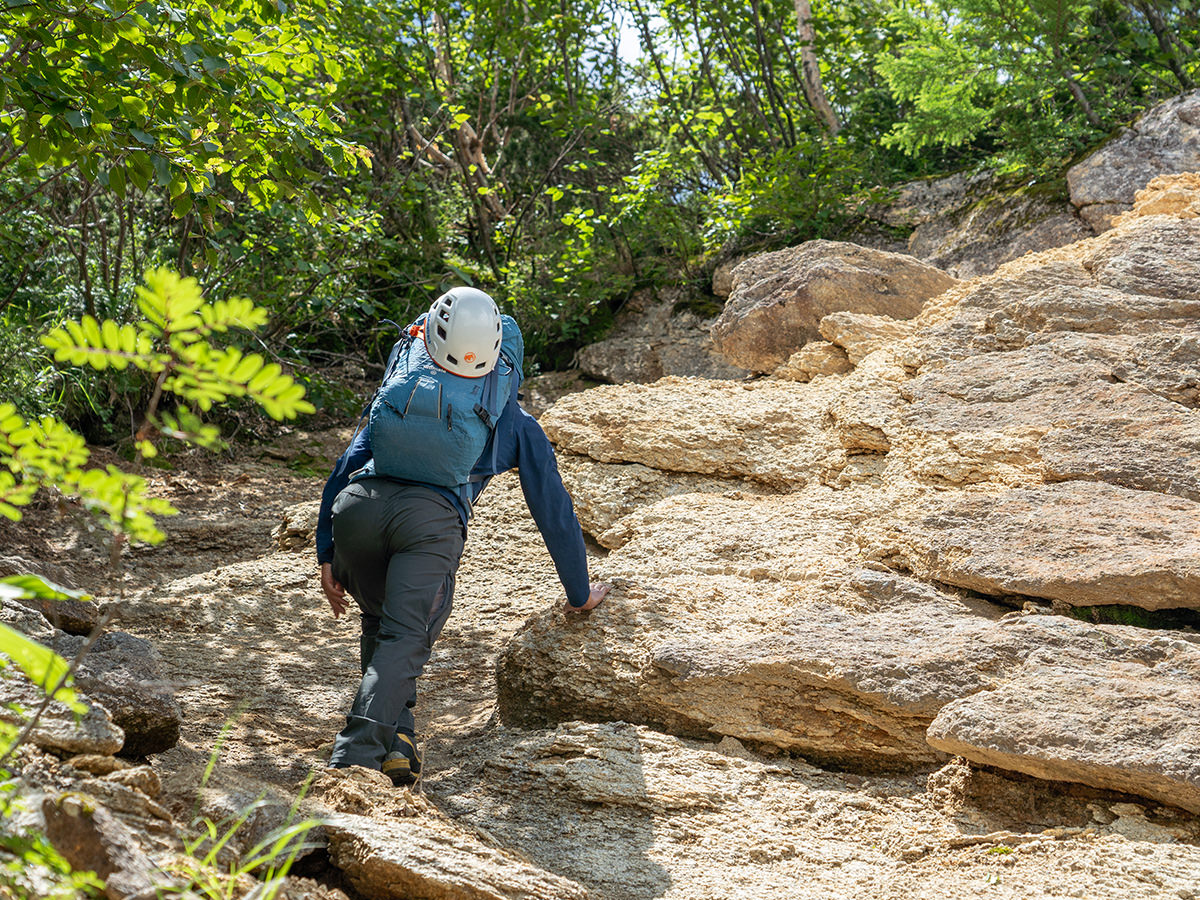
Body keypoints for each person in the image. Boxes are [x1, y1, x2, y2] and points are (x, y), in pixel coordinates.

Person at [316, 286, 609, 787]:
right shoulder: (513, 418)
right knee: (409, 633)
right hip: (428, 525)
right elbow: (553, 512)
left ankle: (398, 740)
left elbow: (348, 461)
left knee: (383, 623)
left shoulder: (407, 383)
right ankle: (352, 759)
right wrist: (580, 593)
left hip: (356, 513)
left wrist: (326, 549)